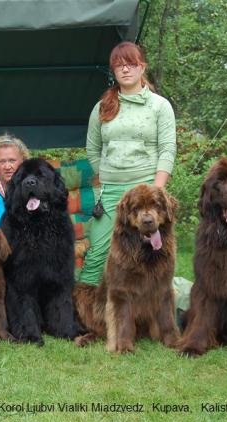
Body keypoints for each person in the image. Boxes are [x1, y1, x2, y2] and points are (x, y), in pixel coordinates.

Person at [79, 41, 177, 285]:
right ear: (113, 71)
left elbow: (167, 149)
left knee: (152, 255)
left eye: (131, 64)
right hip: (111, 193)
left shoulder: (159, 106)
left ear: (142, 67)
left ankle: (152, 312)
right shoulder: (102, 108)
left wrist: (157, 190)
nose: (125, 70)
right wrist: (107, 174)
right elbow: (93, 148)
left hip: (146, 192)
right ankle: (86, 314)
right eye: (119, 65)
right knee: (98, 254)